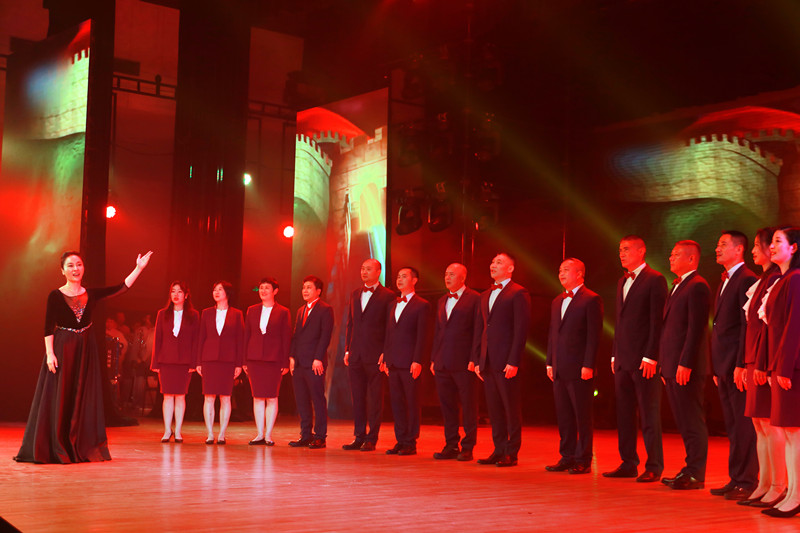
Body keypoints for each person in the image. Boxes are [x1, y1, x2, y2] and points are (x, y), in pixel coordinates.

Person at [14, 250, 152, 464]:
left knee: (82, 395)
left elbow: (122, 287)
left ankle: (78, 444)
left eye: (78, 264)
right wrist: (50, 354)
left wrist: (139, 268)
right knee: (61, 395)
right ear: (62, 270)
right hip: (63, 349)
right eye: (70, 265)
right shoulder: (55, 295)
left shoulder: (92, 293)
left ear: (83, 268)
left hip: (85, 350)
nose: (75, 269)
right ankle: (57, 445)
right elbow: (48, 327)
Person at [604, 235, 667, 482]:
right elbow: (619, 322)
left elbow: (656, 321)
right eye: (620, 249)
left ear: (642, 251)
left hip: (644, 360)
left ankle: (654, 465)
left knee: (649, 414)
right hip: (623, 358)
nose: (622, 253)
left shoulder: (655, 279)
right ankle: (628, 462)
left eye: (627, 249)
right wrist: (614, 353)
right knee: (624, 414)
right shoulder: (622, 281)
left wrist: (651, 356)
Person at [709, 231, 759, 499]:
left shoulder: (747, 278)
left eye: (723, 245)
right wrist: (717, 366)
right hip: (723, 364)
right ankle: (736, 477)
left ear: (739, 249)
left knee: (743, 425)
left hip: (736, 364)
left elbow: (745, 326)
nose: (717, 248)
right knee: (732, 424)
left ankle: (747, 480)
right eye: (717, 244)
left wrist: (741, 363)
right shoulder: (726, 280)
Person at [739, 228, 786, 508]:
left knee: (770, 424)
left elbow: (770, 328)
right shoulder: (764, 279)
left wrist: (763, 363)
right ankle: (765, 482)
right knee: (759, 424)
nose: (754, 251)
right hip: (754, 358)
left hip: (764, 360)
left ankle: (779, 485)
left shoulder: (778, 278)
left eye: (758, 245)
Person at [659, 240, 711, 490]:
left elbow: (696, 329)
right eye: (671, 254)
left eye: (676, 254)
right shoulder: (678, 285)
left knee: (692, 420)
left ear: (691, 259)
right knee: (683, 420)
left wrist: (685, 363)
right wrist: (665, 364)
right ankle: (689, 469)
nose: (671, 258)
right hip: (672, 365)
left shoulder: (698, 285)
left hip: (686, 366)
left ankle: (696, 473)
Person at [545, 258, 603, 475]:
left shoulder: (591, 299)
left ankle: (583, 459)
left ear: (579, 274)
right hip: (560, 367)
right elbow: (553, 334)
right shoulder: (557, 301)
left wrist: (588, 364)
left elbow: (593, 336)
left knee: (582, 415)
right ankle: (567, 456)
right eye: (560, 270)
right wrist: (550, 361)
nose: (561, 273)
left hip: (580, 368)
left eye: (566, 270)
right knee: (564, 415)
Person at [475, 253, 531, 467]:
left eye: (499, 262)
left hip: (507, 361)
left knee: (510, 408)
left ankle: (511, 452)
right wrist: (478, 358)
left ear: (510, 268)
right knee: (494, 409)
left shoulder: (518, 293)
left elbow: (521, 329)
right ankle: (498, 449)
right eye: (492, 261)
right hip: (488, 360)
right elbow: (481, 329)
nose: (493, 265)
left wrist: (514, 360)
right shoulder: (485, 295)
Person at [761, 227, 800, 518]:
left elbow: (794, 325)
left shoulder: (795, 279)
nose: (771, 247)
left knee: (794, 432)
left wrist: (784, 367)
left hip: (792, 367)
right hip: (781, 365)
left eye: (778, 241)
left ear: (794, 248)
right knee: (787, 432)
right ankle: (791, 492)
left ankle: (796, 496)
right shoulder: (782, 280)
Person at [430, 263, 481, 462]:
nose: (447, 277)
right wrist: (434, 358)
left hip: (464, 362)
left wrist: (474, 358)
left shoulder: (475, 298)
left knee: (468, 406)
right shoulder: (442, 300)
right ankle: (451, 444)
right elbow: (438, 332)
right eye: (446, 274)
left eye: (452, 274)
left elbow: (478, 331)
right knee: (447, 406)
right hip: (442, 362)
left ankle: (468, 446)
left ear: (463, 277)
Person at [342, 258, 395, 452]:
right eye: (362, 268)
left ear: (378, 271)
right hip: (355, 354)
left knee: (374, 399)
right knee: (357, 398)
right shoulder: (355, 293)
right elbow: (350, 323)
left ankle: (372, 438)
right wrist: (347, 349)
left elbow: (390, 327)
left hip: (375, 355)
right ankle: (359, 436)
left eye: (369, 269)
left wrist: (386, 352)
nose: (364, 272)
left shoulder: (388, 295)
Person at [383, 267, 430, 456]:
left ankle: (411, 441)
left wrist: (417, 360)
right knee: (397, 403)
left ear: (414, 280)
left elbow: (422, 336)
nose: (399, 279)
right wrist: (386, 357)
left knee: (411, 402)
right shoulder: (392, 305)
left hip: (410, 362)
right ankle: (400, 439)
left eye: (404, 276)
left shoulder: (422, 305)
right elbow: (388, 334)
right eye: (398, 277)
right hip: (393, 362)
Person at [243, 277, 291, 446]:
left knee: (271, 397)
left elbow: (286, 338)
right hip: (254, 359)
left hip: (274, 360)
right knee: (257, 397)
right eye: (261, 288)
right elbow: (246, 336)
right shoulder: (252, 310)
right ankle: (259, 434)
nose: (263, 291)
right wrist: (244, 360)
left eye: (267, 288)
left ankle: (269, 435)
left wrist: (285, 362)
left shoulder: (283, 311)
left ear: (275, 291)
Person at [288, 276, 334, 449]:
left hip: (314, 363)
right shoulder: (301, 310)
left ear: (318, 291)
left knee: (317, 399)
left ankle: (320, 436)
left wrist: (318, 358)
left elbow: (325, 336)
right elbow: (296, 336)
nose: (305, 291)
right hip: (299, 363)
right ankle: (305, 435)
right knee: (302, 400)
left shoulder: (325, 309)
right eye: (304, 287)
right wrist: (292, 357)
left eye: (309, 287)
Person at [196, 281, 244, 445]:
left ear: (227, 293)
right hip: (209, 359)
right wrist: (199, 361)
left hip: (228, 360)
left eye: (220, 289)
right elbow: (201, 338)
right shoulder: (206, 313)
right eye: (214, 289)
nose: (216, 292)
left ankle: (222, 434)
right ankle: (210, 434)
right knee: (209, 397)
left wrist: (239, 364)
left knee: (225, 397)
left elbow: (240, 340)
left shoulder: (237, 314)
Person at [151, 281, 199, 443]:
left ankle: (178, 431)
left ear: (186, 295)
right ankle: (167, 430)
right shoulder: (162, 314)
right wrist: (155, 363)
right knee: (167, 396)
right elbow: (157, 339)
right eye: (173, 291)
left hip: (185, 362)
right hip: (166, 360)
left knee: (180, 396)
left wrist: (193, 363)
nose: (176, 295)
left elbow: (195, 341)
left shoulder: (193, 315)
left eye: (179, 292)